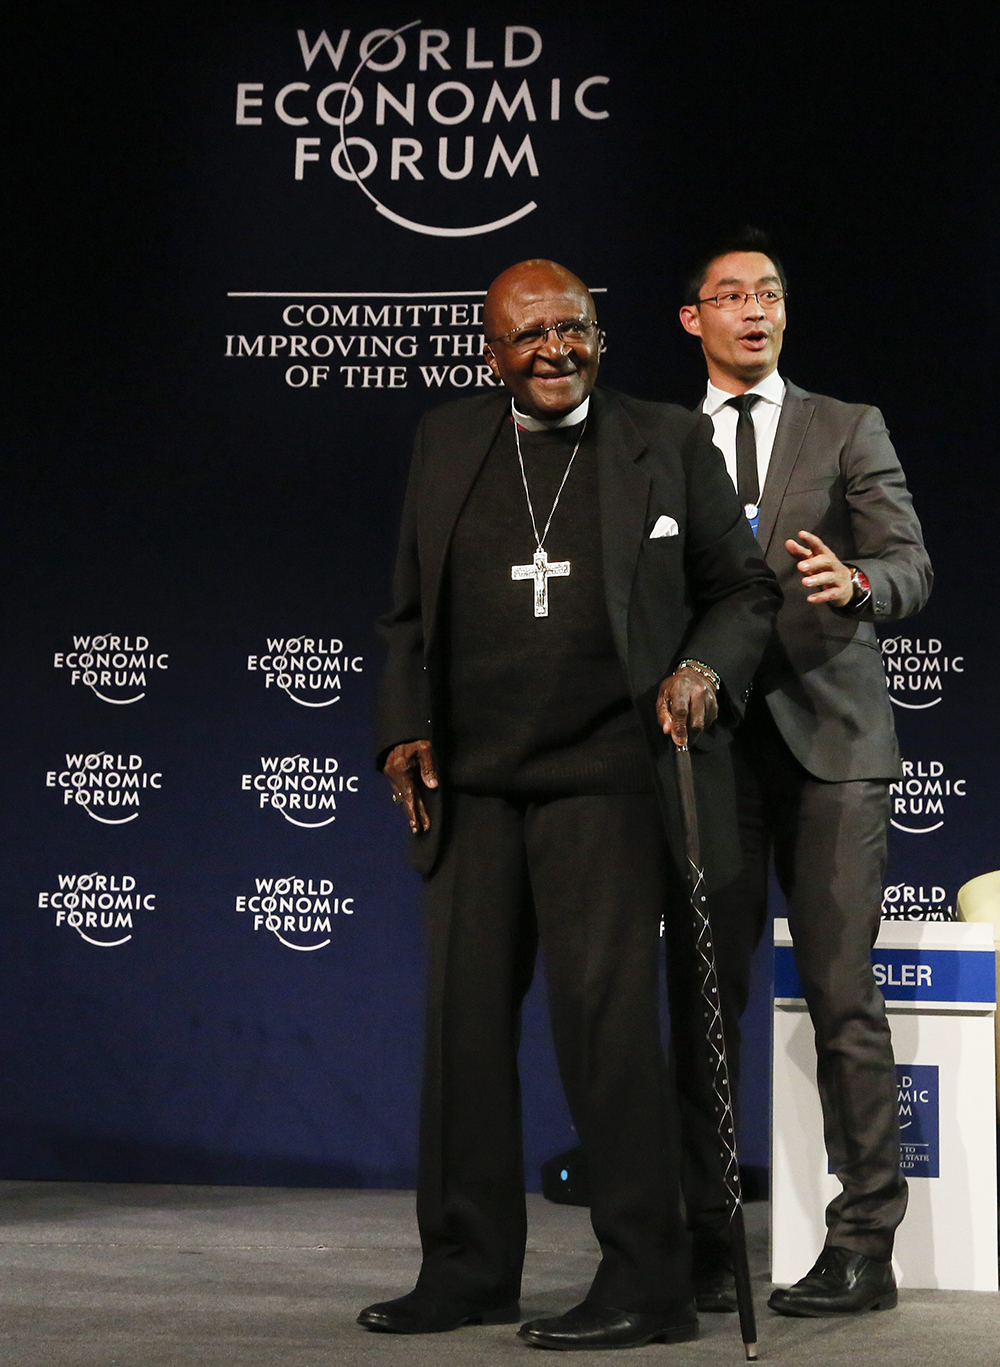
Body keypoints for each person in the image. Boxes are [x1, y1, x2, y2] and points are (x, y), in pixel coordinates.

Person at [359, 258, 779, 1350]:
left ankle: (648, 1282)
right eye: (526, 336)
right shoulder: (446, 440)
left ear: (601, 334)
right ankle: (465, 1268)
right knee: (461, 1033)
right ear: (489, 351)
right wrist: (402, 723)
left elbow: (742, 591)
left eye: (571, 329)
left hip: (607, 777)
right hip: (473, 785)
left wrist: (704, 668)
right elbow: (405, 613)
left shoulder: (665, 440)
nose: (552, 351)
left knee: (604, 1031)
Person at [675, 228, 932, 1317]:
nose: (753, 308)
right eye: (729, 295)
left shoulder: (846, 425)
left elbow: (912, 563)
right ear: (692, 318)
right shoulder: (655, 439)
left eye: (768, 293)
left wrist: (859, 582)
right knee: (700, 996)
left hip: (832, 745)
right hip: (708, 747)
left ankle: (864, 1239)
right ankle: (696, 1236)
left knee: (840, 994)